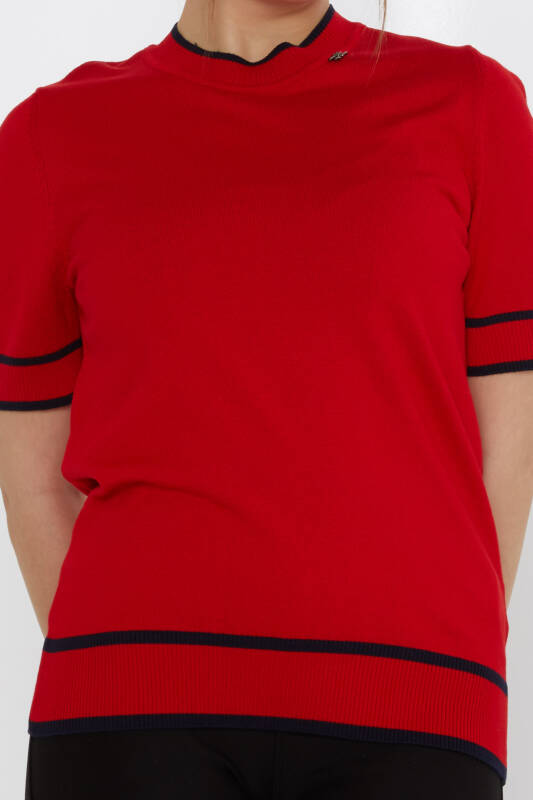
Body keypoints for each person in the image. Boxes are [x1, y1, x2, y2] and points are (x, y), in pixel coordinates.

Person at [1, 0, 532, 797]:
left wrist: (448, 656)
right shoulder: (49, 137)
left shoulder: (472, 106)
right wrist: (131, 671)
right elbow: (33, 475)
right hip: (128, 715)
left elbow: (508, 449)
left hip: (415, 709)